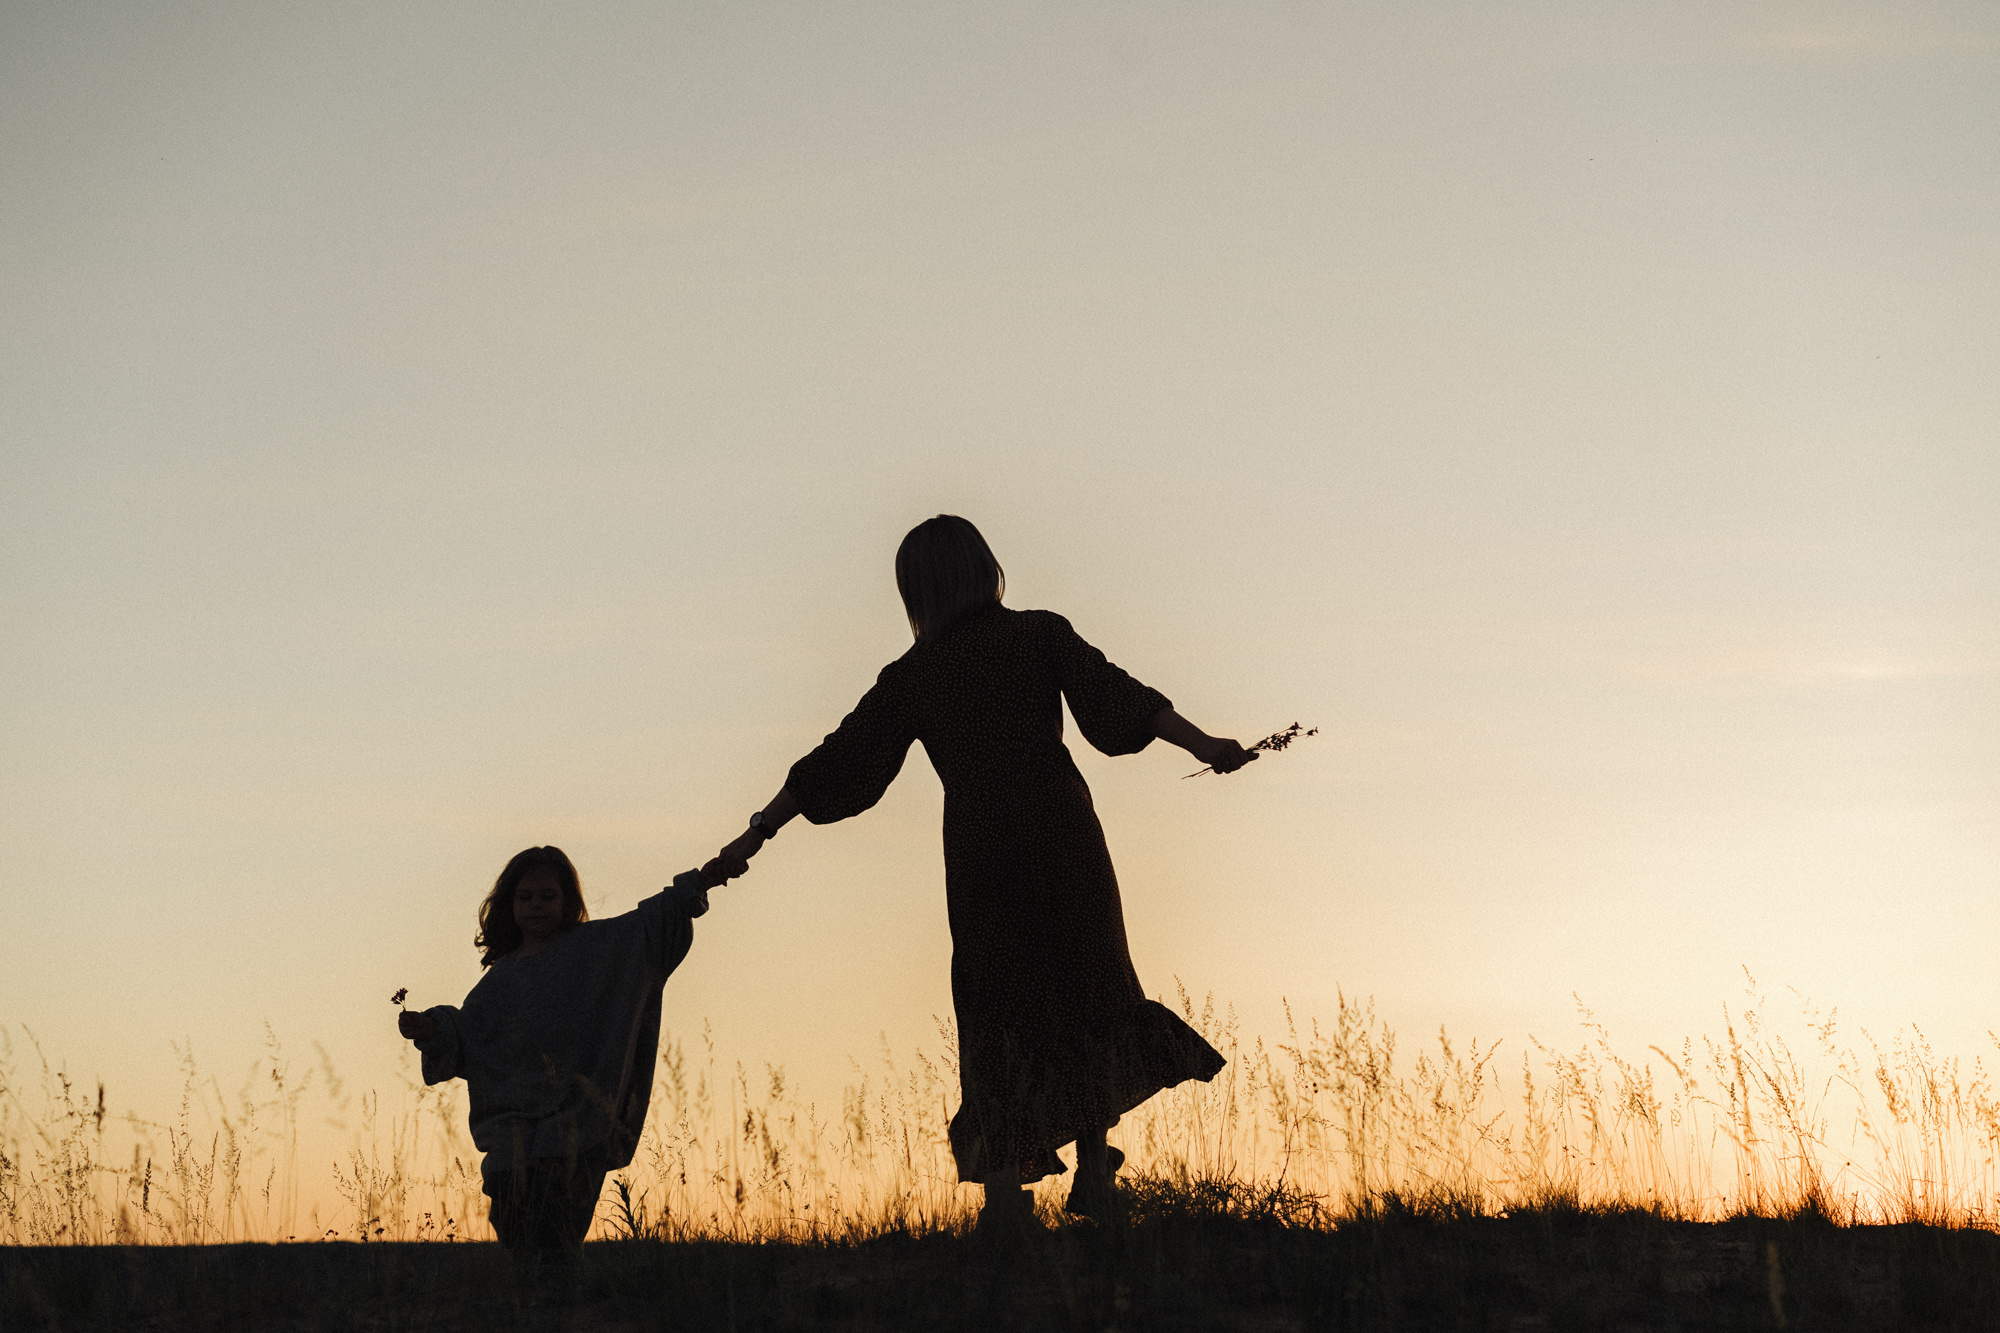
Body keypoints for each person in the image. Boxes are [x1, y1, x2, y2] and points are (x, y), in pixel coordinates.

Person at [714, 515, 1255, 1233]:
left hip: (981, 850)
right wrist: (1209, 742)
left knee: (997, 1008)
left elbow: (839, 761)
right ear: (987, 569)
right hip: (1061, 835)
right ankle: (1094, 1167)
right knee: (1088, 987)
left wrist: (755, 831)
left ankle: (1003, 1197)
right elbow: (1122, 700)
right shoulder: (1039, 634)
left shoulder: (915, 673)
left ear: (916, 590)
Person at [397, 845, 725, 1296]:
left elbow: (653, 923)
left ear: (569, 904)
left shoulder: (597, 949)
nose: (536, 905)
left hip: (575, 1129)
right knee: (517, 1237)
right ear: (509, 906)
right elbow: (468, 1038)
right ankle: (537, 1313)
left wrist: (706, 879)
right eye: (526, 897)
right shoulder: (497, 983)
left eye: (548, 897)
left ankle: (561, 1312)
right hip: (511, 1142)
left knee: (555, 1240)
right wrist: (429, 1028)